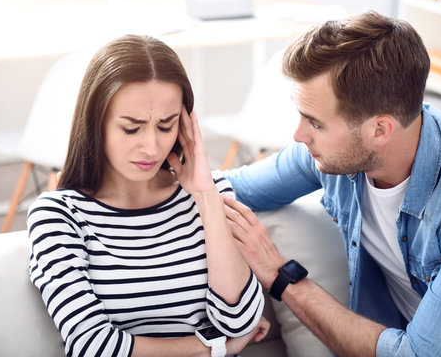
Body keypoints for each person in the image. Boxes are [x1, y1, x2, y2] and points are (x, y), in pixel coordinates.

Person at [222, 11, 441, 357]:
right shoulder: (337, 154)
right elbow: (234, 186)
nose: (298, 135)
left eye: (316, 124)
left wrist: (283, 277)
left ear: (380, 130)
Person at [27, 34, 268, 357]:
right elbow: (92, 345)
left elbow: (239, 321)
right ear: (95, 124)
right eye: (131, 128)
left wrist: (205, 195)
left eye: (166, 126)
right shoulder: (59, 215)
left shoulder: (211, 195)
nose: (152, 147)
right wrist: (212, 349)